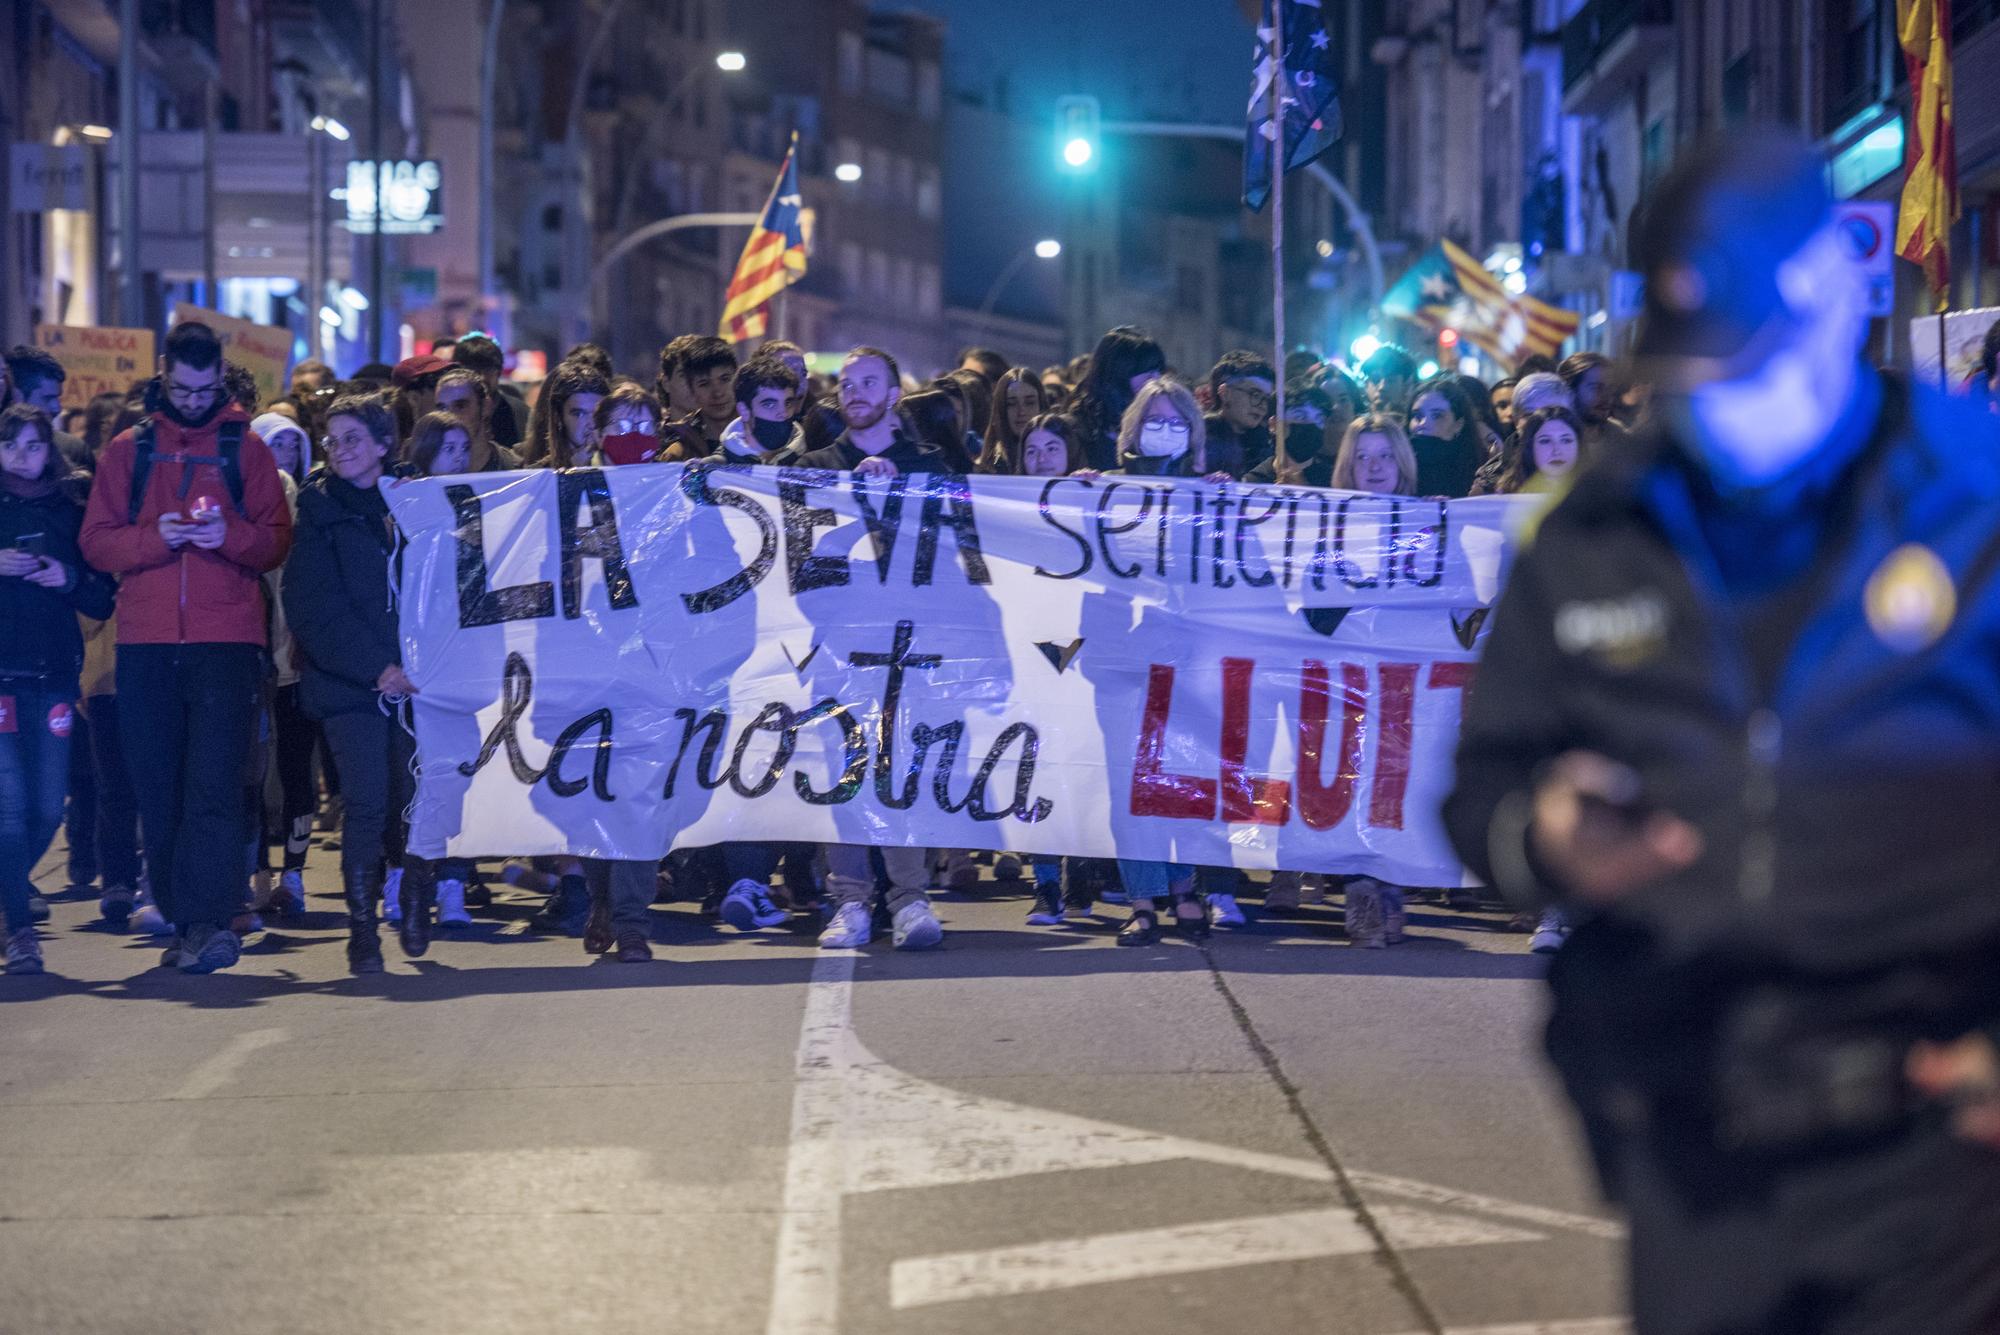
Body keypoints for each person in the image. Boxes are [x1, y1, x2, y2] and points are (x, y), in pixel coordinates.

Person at [1443, 128, 2000, 1334]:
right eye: (1691, 367)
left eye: (1746, 362)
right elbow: (1479, 784)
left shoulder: (1974, 498)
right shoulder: (1597, 523)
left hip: (1939, 1146)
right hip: (1684, 1131)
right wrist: (1537, 834)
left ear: (1829, 292)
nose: (1714, 405)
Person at [79, 321, 293, 974]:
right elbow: (97, 540)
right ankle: (182, 917)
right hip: (145, 646)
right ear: (166, 374)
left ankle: (208, 922)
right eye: (183, 388)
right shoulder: (128, 450)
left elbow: (274, 540)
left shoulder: (246, 448)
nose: (194, 400)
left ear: (218, 378)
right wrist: (159, 538)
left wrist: (223, 533)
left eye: (205, 391)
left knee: (213, 788)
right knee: (158, 789)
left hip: (225, 644)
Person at [790, 347, 947, 952]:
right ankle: (850, 902)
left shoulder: (927, 467)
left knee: (901, 771)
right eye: (847, 384)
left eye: (869, 383)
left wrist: (893, 498)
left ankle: (910, 899)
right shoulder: (816, 468)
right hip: (838, 649)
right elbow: (802, 567)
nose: (854, 392)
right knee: (846, 774)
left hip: (909, 649)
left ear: (892, 395)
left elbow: (946, 553)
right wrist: (846, 502)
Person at [280, 394, 417, 973]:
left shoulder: (418, 504)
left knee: (415, 800)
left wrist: (420, 664)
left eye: (353, 438)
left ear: (384, 444)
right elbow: (312, 605)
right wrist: (376, 668)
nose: (339, 450)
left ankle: (415, 897)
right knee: (365, 801)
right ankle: (364, 929)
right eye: (332, 440)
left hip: (417, 684)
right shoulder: (318, 511)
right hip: (350, 686)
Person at [0, 405, 116, 972]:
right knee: (9, 808)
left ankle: (7, 889)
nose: (24, 457)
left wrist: (64, 576)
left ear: (50, 450)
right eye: (12, 445)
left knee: (47, 806)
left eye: (34, 445)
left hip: (51, 677)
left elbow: (101, 595)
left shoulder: (68, 509)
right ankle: (20, 929)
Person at [1103, 378, 1213, 945]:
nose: (1164, 431)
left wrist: (1229, 503)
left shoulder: (1210, 495)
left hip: (1187, 658)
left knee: (1182, 774)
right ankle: (1140, 899)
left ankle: (1184, 886)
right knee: (1130, 779)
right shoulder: (1106, 493)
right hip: (1123, 658)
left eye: (1176, 422)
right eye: (1154, 421)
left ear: (1192, 432)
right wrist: (1071, 496)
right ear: (1133, 429)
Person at [1066, 326, 1165, 470]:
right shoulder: (1075, 429)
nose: (1156, 378)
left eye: (1158, 370)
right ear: (1118, 373)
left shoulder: (1161, 424)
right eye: (1146, 370)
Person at [4, 345, 93, 473]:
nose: (57, 408)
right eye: (47, 398)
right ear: (17, 396)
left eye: (57, 398)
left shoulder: (73, 450)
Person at [1406, 374, 1487, 498]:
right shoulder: (1396, 469)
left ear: (1458, 424)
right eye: (1417, 416)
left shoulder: (1480, 475)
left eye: (1437, 416)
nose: (1423, 423)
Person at [712, 356, 804, 465]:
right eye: (769, 404)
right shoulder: (716, 468)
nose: (783, 413)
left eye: (788, 403)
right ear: (744, 410)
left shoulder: (812, 463)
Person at [520, 362, 609, 470]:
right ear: (559, 417)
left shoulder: (621, 468)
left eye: (597, 413)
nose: (591, 423)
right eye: (579, 414)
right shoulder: (538, 476)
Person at [1245, 384, 1337, 488]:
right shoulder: (1254, 483)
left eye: (1319, 419)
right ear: (1274, 425)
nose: (1311, 424)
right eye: (1300, 416)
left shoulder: (1334, 482)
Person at [1203, 350, 1276, 479]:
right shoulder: (1198, 439)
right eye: (1255, 395)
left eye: (1266, 398)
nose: (1262, 405)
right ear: (1225, 393)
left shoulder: (1269, 446)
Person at [1488, 405, 1585, 500]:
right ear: (1530, 447)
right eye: (1545, 441)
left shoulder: (1596, 493)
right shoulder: (1505, 496)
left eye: (1566, 440)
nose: (1557, 451)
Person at [435, 367, 519, 471]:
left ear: (485, 407)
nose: (449, 416)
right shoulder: (424, 475)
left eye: (460, 406)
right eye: (442, 408)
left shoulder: (516, 470)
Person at [449, 335, 523, 448]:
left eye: (487, 369)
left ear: (498, 372)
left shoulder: (519, 413)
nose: (482, 377)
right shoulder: (448, 412)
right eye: (473, 369)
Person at [677, 336, 740, 450]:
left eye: (725, 379)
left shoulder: (765, 438)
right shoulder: (679, 447)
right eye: (704, 384)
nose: (718, 393)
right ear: (691, 390)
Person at [982, 369, 1049, 474]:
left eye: (1030, 403)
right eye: (1011, 404)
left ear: (1041, 405)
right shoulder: (989, 467)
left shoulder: (1061, 456)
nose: (1021, 412)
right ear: (1001, 410)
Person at [1357, 344, 1419, 420]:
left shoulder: (1417, 428)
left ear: (1405, 386)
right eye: (1376, 380)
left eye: (1390, 381)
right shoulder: (1357, 430)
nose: (1382, 387)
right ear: (1366, 385)